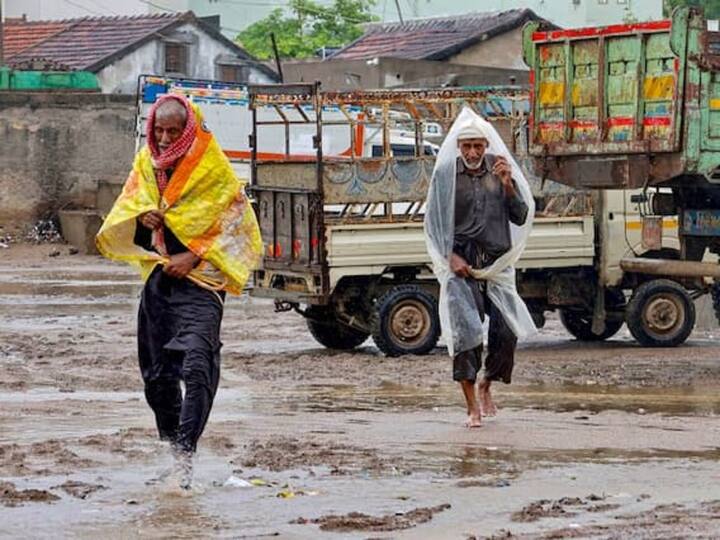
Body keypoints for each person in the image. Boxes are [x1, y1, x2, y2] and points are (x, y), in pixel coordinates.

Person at [96, 94, 262, 488]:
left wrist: (192, 255)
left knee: (197, 365)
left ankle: (187, 455)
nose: (167, 139)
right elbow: (128, 216)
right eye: (160, 130)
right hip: (158, 281)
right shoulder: (146, 165)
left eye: (174, 131)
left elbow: (239, 226)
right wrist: (144, 218)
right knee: (157, 376)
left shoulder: (212, 168)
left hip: (202, 283)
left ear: (189, 128)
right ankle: (172, 451)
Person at [424, 110, 535, 429]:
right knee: (466, 335)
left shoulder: (499, 170)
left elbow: (520, 216)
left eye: (477, 146)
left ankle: (487, 382)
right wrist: (449, 257)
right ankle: (471, 405)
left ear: (486, 145)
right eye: (466, 146)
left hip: (496, 264)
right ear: (458, 147)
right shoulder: (445, 175)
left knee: (506, 331)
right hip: (460, 265)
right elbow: (432, 224)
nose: (472, 153)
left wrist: (507, 185)